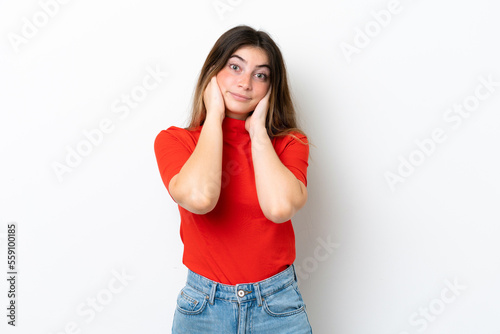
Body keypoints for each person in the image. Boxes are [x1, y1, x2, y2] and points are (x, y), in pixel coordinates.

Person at [154, 25, 312, 333]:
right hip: (203, 308)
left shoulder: (290, 143)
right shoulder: (176, 141)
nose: (245, 83)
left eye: (260, 75)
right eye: (235, 67)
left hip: (277, 307)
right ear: (212, 73)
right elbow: (200, 199)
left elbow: (279, 208)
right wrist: (214, 115)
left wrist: (257, 133)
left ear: (271, 88)